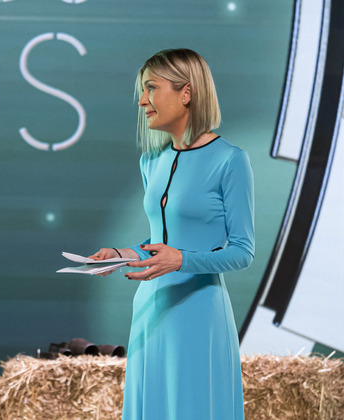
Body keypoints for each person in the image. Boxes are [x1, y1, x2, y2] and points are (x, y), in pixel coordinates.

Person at [89, 49, 254, 419]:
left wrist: (182, 260)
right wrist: (121, 254)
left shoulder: (231, 160)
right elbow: (158, 244)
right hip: (149, 311)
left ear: (186, 93)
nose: (142, 101)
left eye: (151, 88)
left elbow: (243, 251)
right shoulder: (152, 160)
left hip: (198, 312)